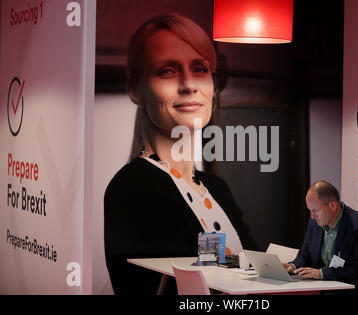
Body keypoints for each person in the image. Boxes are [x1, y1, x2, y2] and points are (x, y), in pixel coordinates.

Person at [104, 13, 256, 295]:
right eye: (168, 71)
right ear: (135, 89)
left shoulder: (216, 188)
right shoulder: (132, 188)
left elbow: (252, 274)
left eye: (199, 69)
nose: (189, 84)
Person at [283, 180, 358, 295]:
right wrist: (293, 266)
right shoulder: (314, 223)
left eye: (316, 210)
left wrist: (321, 273)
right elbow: (305, 256)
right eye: (310, 210)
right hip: (325, 290)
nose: (312, 216)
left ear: (333, 205)